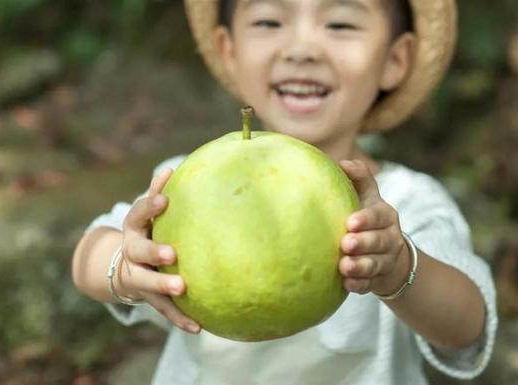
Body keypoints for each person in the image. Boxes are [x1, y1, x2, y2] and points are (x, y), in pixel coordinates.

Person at [71, 0, 497, 384]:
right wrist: (125, 267)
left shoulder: (407, 203)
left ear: (394, 60)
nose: (302, 49)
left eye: (340, 24)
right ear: (229, 51)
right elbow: (88, 256)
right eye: (270, 20)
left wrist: (400, 267)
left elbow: (468, 327)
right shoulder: (188, 179)